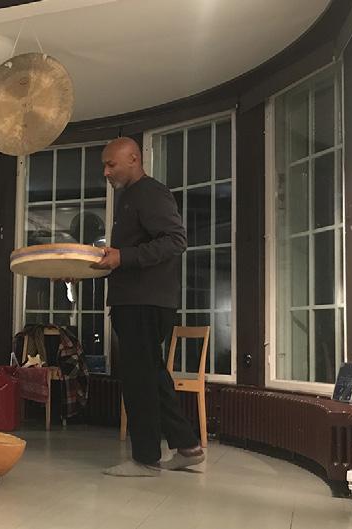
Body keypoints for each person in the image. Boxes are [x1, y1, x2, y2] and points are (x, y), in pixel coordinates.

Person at [91, 137, 204, 477]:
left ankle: (145, 459)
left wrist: (123, 256)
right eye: (104, 165)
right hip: (136, 300)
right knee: (151, 374)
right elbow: (121, 257)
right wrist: (77, 270)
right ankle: (187, 446)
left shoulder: (150, 192)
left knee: (139, 380)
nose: (106, 171)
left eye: (111, 164)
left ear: (134, 159)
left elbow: (175, 240)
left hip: (144, 302)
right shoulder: (130, 197)